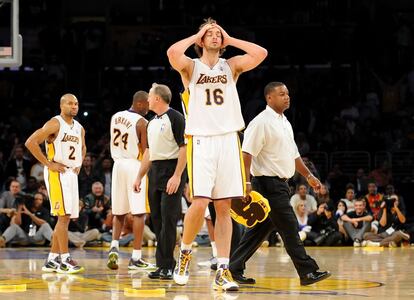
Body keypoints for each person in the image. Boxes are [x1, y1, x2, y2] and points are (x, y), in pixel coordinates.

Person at [166, 17, 267, 291]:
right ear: (201, 40)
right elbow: (173, 53)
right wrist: (197, 34)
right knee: (200, 202)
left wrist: (230, 39)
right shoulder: (191, 66)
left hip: (228, 140)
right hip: (201, 140)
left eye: (217, 34)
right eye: (209, 34)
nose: (214, 36)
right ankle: (185, 253)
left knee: (224, 208)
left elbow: (261, 53)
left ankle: (223, 270)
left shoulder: (231, 66)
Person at [229, 82, 330, 286]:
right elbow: (246, 152)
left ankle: (234, 266)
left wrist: (309, 176)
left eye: (288, 94)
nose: (287, 97)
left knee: (260, 228)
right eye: (282, 94)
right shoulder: (261, 122)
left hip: (282, 183)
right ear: (269, 98)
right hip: (267, 183)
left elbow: (294, 155)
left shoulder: (285, 122)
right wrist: (246, 181)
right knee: (290, 226)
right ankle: (307, 271)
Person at [25, 93, 85, 274]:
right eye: (70, 103)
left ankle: (52, 260)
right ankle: (65, 259)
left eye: (76, 104)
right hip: (56, 174)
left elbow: (83, 146)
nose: (74, 106)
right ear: (62, 106)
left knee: (66, 217)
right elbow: (30, 142)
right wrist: (48, 163)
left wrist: (79, 163)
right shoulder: (55, 123)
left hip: (70, 173)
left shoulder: (80, 128)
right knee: (63, 216)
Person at [134, 83, 187, 280]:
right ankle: (162, 265)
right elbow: (148, 152)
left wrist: (177, 175)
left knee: (168, 219)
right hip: (154, 171)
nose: (147, 99)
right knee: (156, 219)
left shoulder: (176, 117)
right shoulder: (150, 122)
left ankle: (168, 265)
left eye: (149, 95)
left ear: (157, 98)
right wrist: (139, 176)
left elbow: (184, 148)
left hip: (172, 169)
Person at [107, 90, 156, 271]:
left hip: (117, 165)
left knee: (118, 211)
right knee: (139, 212)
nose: (149, 108)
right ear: (141, 104)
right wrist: (145, 172)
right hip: (134, 165)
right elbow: (146, 152)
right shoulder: (143, 122)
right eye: (148, 104)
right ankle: (136, 257)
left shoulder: (115, 116)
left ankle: (114, 246)